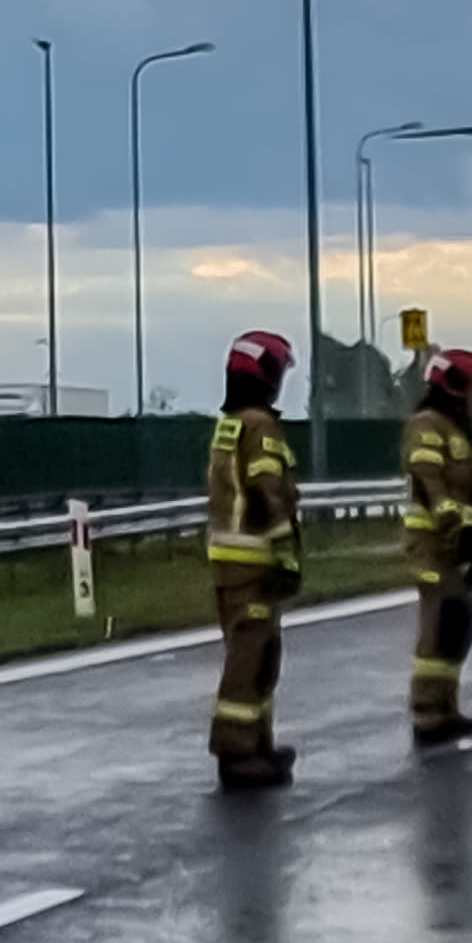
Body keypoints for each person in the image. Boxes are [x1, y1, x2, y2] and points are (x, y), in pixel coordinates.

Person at [206, 329, 303, 786]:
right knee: (251, 658)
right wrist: (285, 553)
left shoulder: (230, 424)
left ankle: (256, 744)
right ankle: (238, 752)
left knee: (256, 653)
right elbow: (267, 492)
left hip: (230, 562)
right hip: (254, 561)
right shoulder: (260, 426)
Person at [400, 346, 472, 743]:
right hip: (432, 543)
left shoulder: (454, 427)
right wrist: (452, 521)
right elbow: (427, 476)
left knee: (456, 625)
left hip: (452, 545)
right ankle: (427, 713)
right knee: (440, 625)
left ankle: (445, 708)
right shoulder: (427, 424)